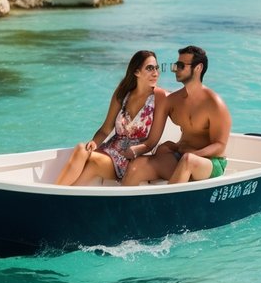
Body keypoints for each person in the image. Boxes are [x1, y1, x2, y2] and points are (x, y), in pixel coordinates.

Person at [55, 49, 169, 186]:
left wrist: (135, 151)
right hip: (109, 150)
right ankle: (59, 195)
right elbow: (105, 129)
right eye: (150, 68)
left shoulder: (159, 96)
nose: (155, 73)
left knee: (90, 160)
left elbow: (152, 142)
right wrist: (94, 143)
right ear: (136, 72)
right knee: (82, 149)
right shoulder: (123, 92)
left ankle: (52, 194)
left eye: (156, 68)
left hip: (129, 158)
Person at [122, 45, 231, 186]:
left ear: (198, 68)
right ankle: (123, 205)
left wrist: (193, 154)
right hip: (182, 155)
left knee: (188, 161)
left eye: (180, 66)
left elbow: (220, 146)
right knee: (139, 165)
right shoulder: (172, 101)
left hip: (210, 162)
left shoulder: (214, 103)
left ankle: (166, 204)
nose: (175, 69)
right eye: (175, 65)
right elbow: (152, 140)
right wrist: (132, 150)